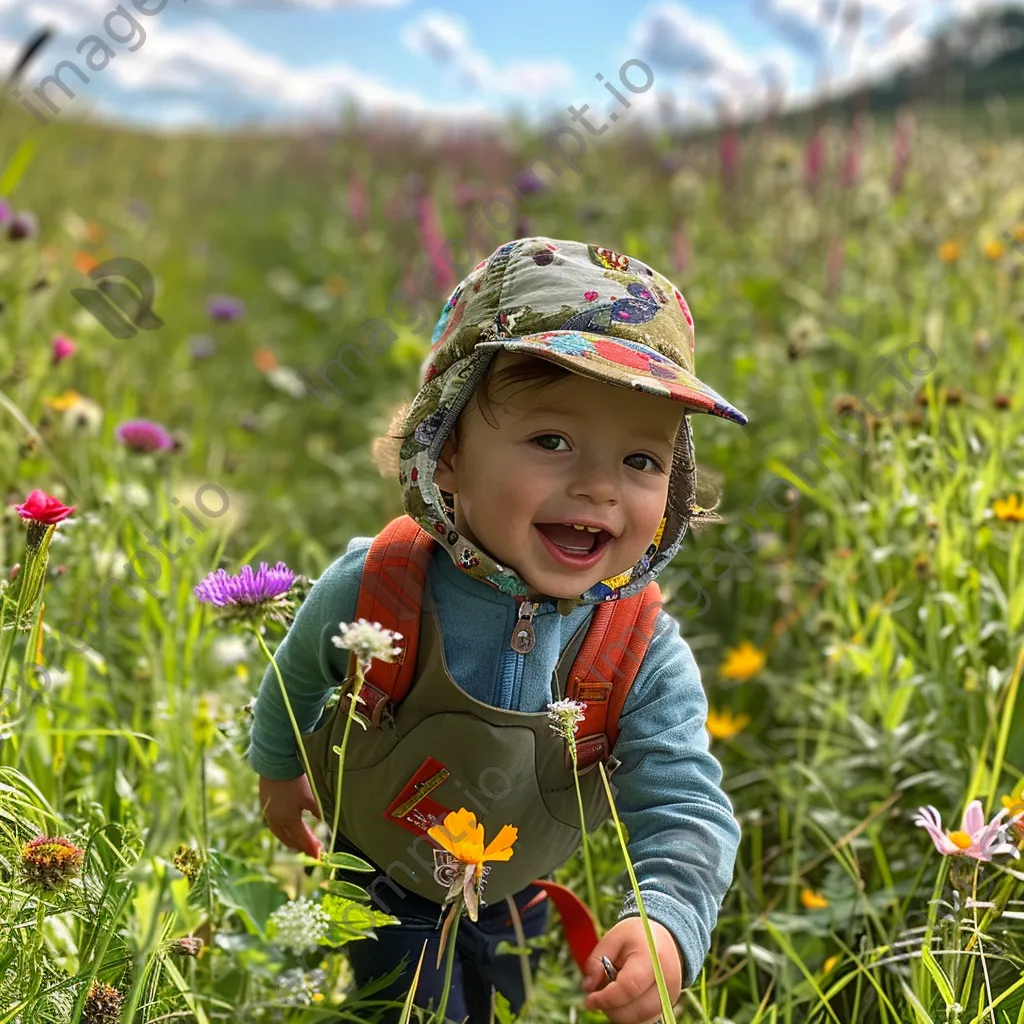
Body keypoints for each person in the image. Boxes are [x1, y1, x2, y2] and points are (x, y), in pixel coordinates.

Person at [248, 236, 747, 1024]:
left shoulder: (637, 644)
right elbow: (295, 674)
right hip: (384, 874)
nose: (598, 486)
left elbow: (684, 800)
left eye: (642, 461)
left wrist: (667, 922)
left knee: (502, 1004)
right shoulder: (382, 584)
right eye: (552, 441)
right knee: (412, 1010)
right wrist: (280, 772)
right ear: (444, 452)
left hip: (517, 889)